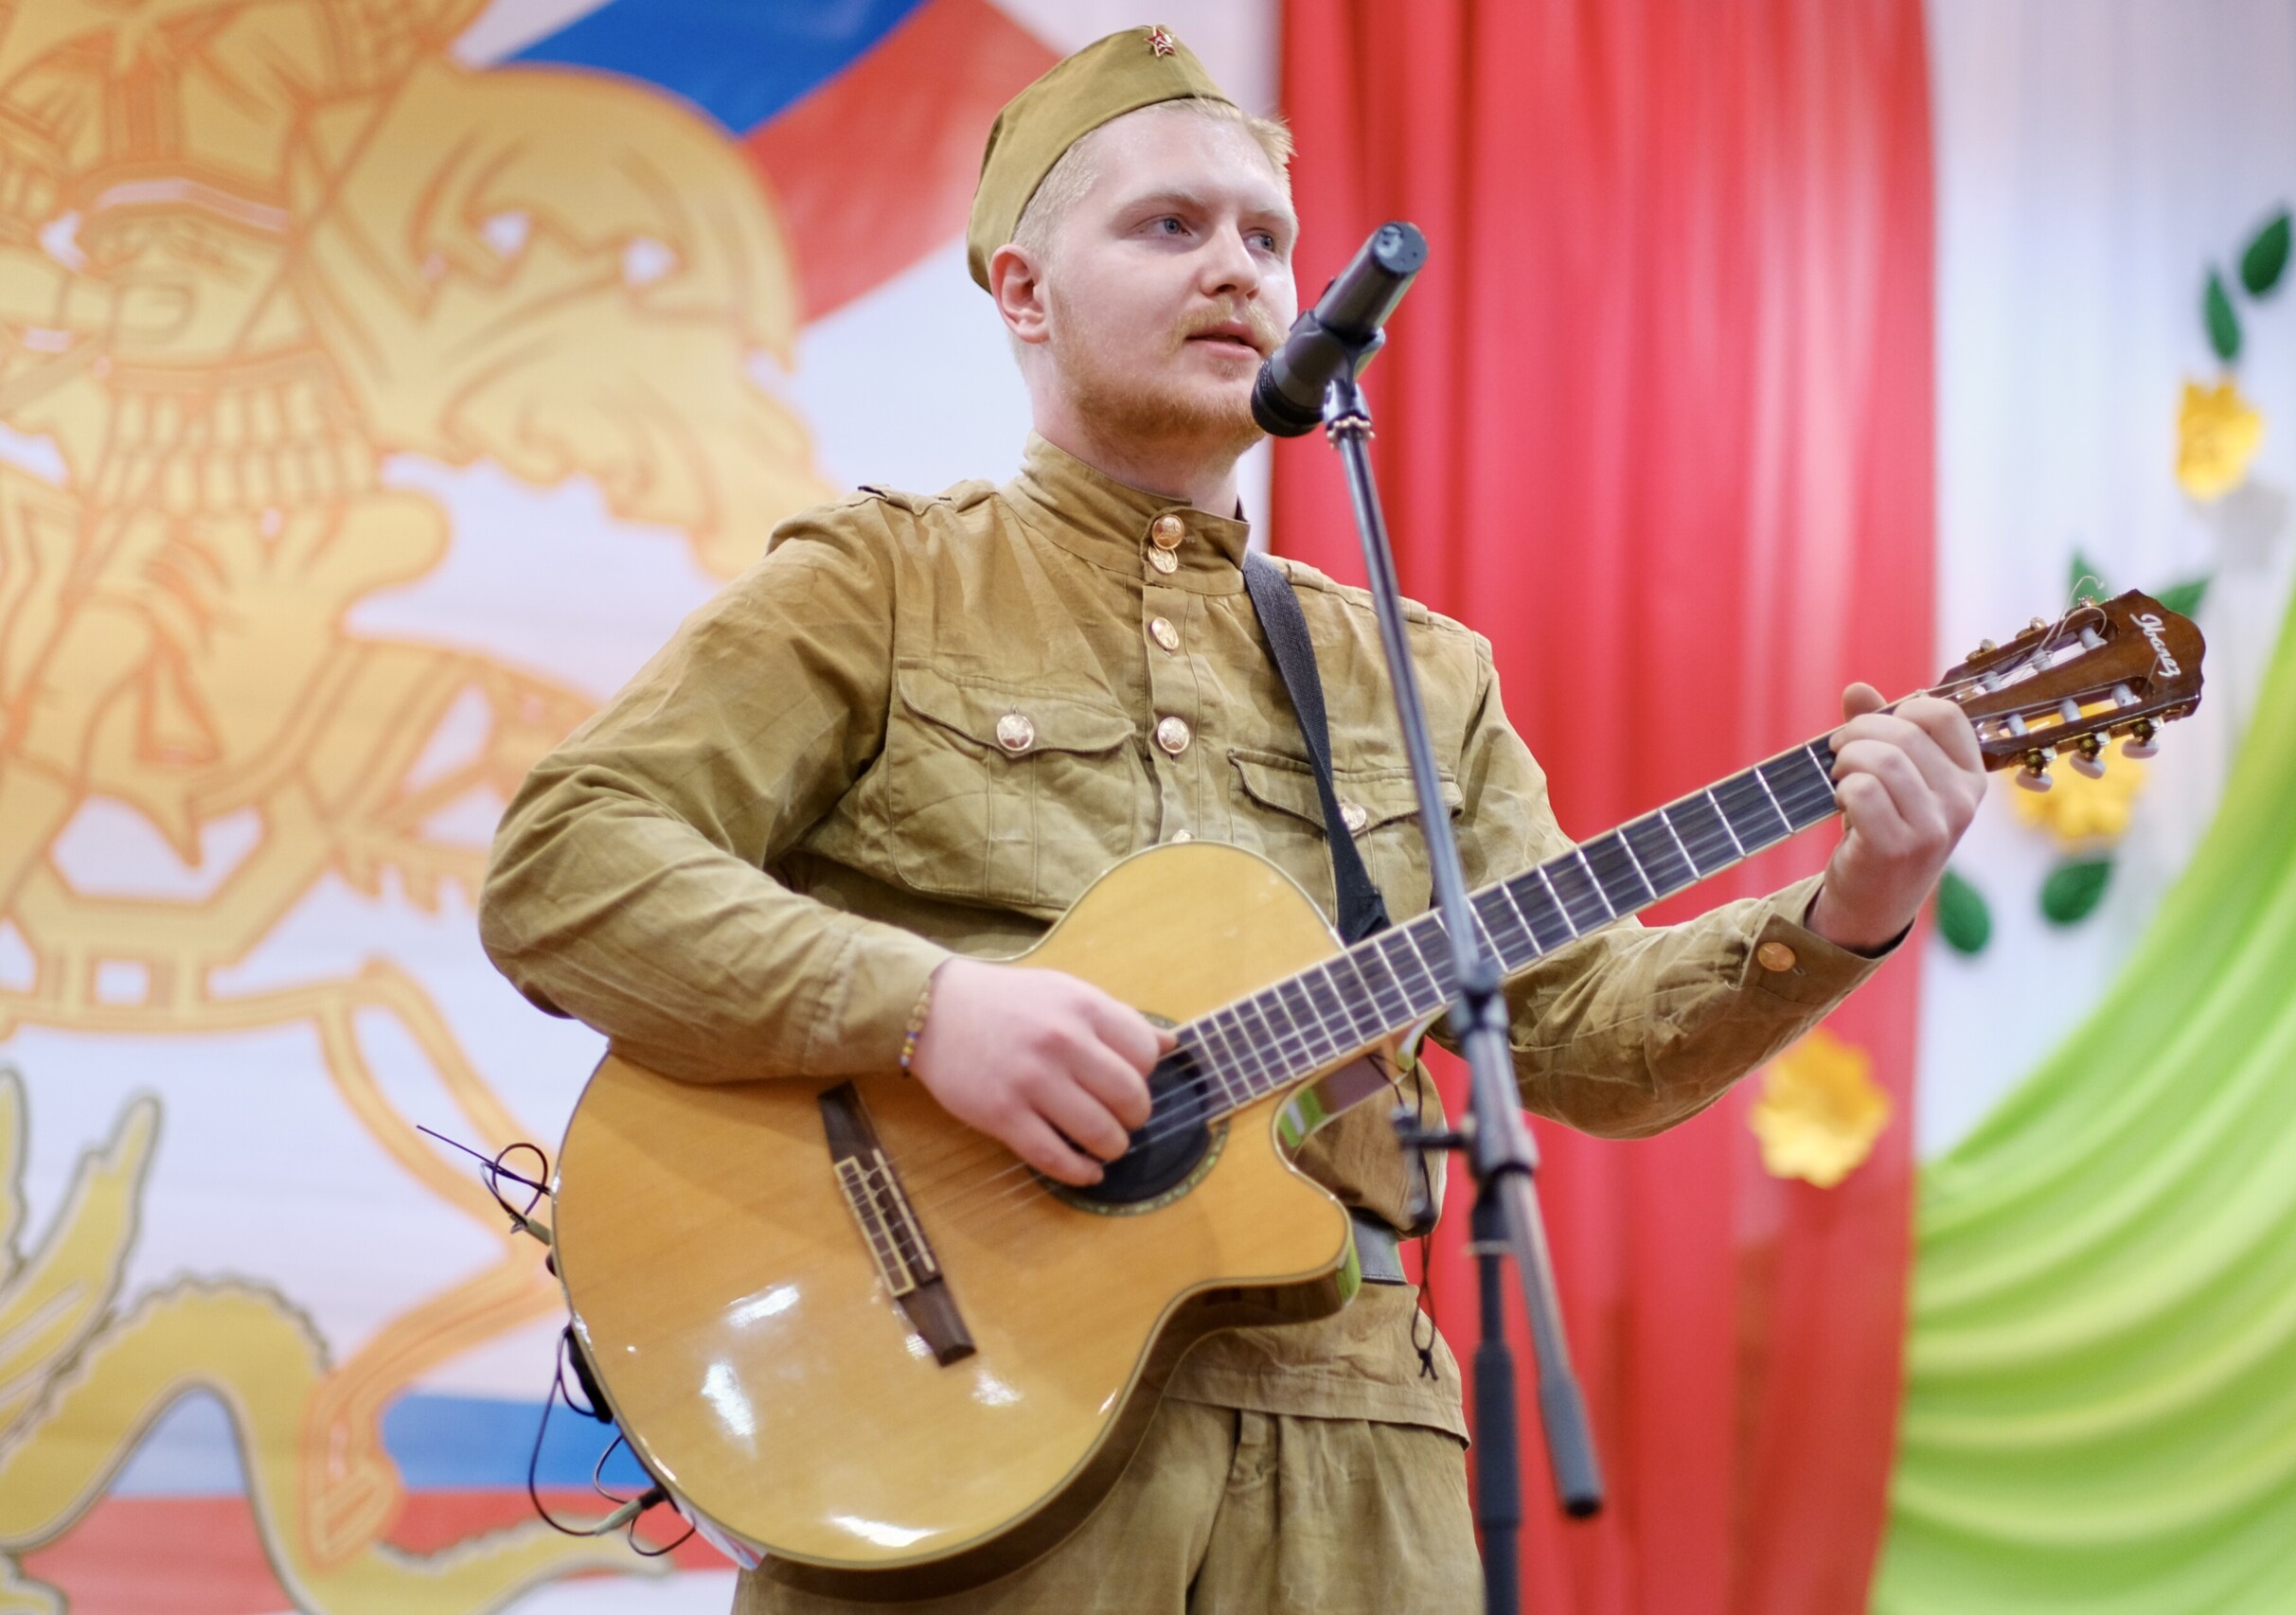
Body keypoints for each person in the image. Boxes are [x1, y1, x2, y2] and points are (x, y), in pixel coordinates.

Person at [478, 27, 1986, 1615]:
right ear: (1023, 292)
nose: (1238, 269)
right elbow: (566, 864)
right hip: (964, 1444)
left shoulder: (1418, 670)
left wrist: (1853, 907)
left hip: (1359, 1459)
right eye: (1169, 225)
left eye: (1267, 237)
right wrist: (930, 1009)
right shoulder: (883, 585)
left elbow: (1580, 1035)